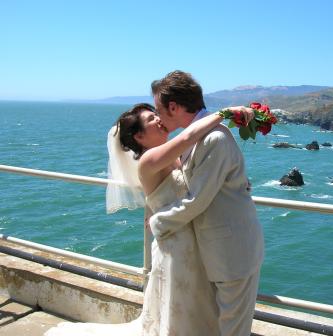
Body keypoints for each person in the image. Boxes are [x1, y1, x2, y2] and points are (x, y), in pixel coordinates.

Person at [45, 102, 255, 336]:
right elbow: (189, 136)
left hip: (192, 240)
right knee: (184, 310)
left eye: (156, 115)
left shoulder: (171, 156)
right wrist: (225, 113)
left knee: (198, 306)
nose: (158, 119)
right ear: (139, 136)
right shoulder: (149, 160)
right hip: (177, 246)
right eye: (150, 120)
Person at [150, 70, 264, 336]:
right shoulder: (201, 136)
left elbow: (196, 200)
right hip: (217, 251)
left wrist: (157, 221)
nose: (157, 115)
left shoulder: (215, 138)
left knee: (233, 330)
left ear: (174, 107)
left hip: (233, 253)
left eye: (158, 109)